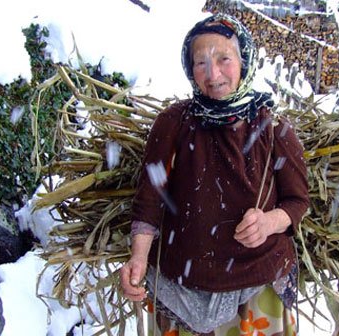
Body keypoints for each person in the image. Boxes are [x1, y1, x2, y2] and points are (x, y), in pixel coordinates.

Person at [120, 13, 309, 336]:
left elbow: (297, 201)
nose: (213, 74)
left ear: (244, 60)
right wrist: (139, 257)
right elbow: (149, 203)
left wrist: (268, 223)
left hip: (258, 288)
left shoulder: (273, 127)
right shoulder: (173, 123)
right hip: (182, 286)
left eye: (224, 59)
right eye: (200, 63)